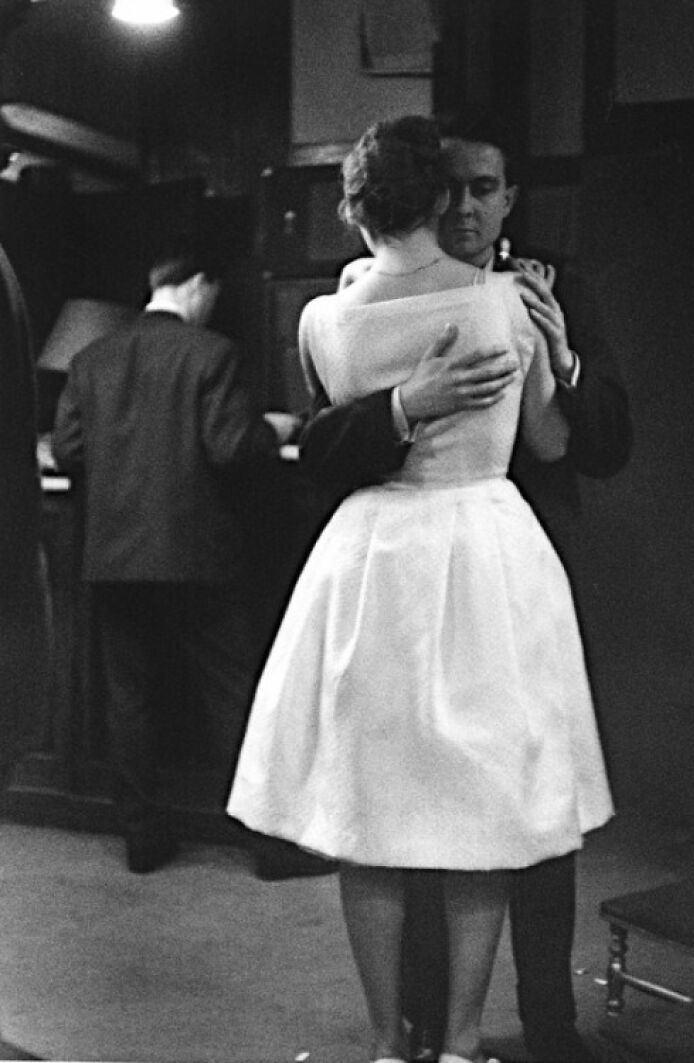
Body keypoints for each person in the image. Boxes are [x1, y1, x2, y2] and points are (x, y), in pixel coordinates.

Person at [228, 115, 613, 1063]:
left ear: (353, 206)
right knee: (488, 805)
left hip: (378, 555)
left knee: (372, 813)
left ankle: (387, 1046)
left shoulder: (327, 315)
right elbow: (547, 440)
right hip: (486, 549)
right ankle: (458, 1040)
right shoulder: (504, 304)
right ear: (440, 200)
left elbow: (327, 410)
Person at [52, 235, 298, 874]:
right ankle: (265, 845)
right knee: (230, 694)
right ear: (200, 284)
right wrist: (271, 430)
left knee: (129, 697)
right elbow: (229, 447)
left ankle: (143, 840)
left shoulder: (91, 358)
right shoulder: (213, 353)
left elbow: (72, 451)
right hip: (197, 557)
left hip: (112, 559)